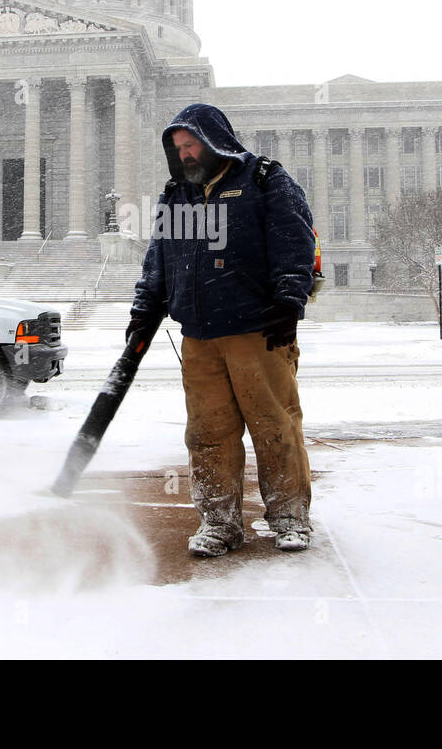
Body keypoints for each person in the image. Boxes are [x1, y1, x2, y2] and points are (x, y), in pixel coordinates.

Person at [129, 102, 317, 557]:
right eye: (179, 148)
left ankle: (289, 516)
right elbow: (160, 258)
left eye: (192, 144)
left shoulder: (264, 180)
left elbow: (296, 242)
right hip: (199, 335)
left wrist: (289, 303)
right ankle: (219, 522)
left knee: (274, 426)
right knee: (208, 433)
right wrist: (144, 309)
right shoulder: (178, 195)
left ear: (215, 139)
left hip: (258, 329)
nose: (186, 155)